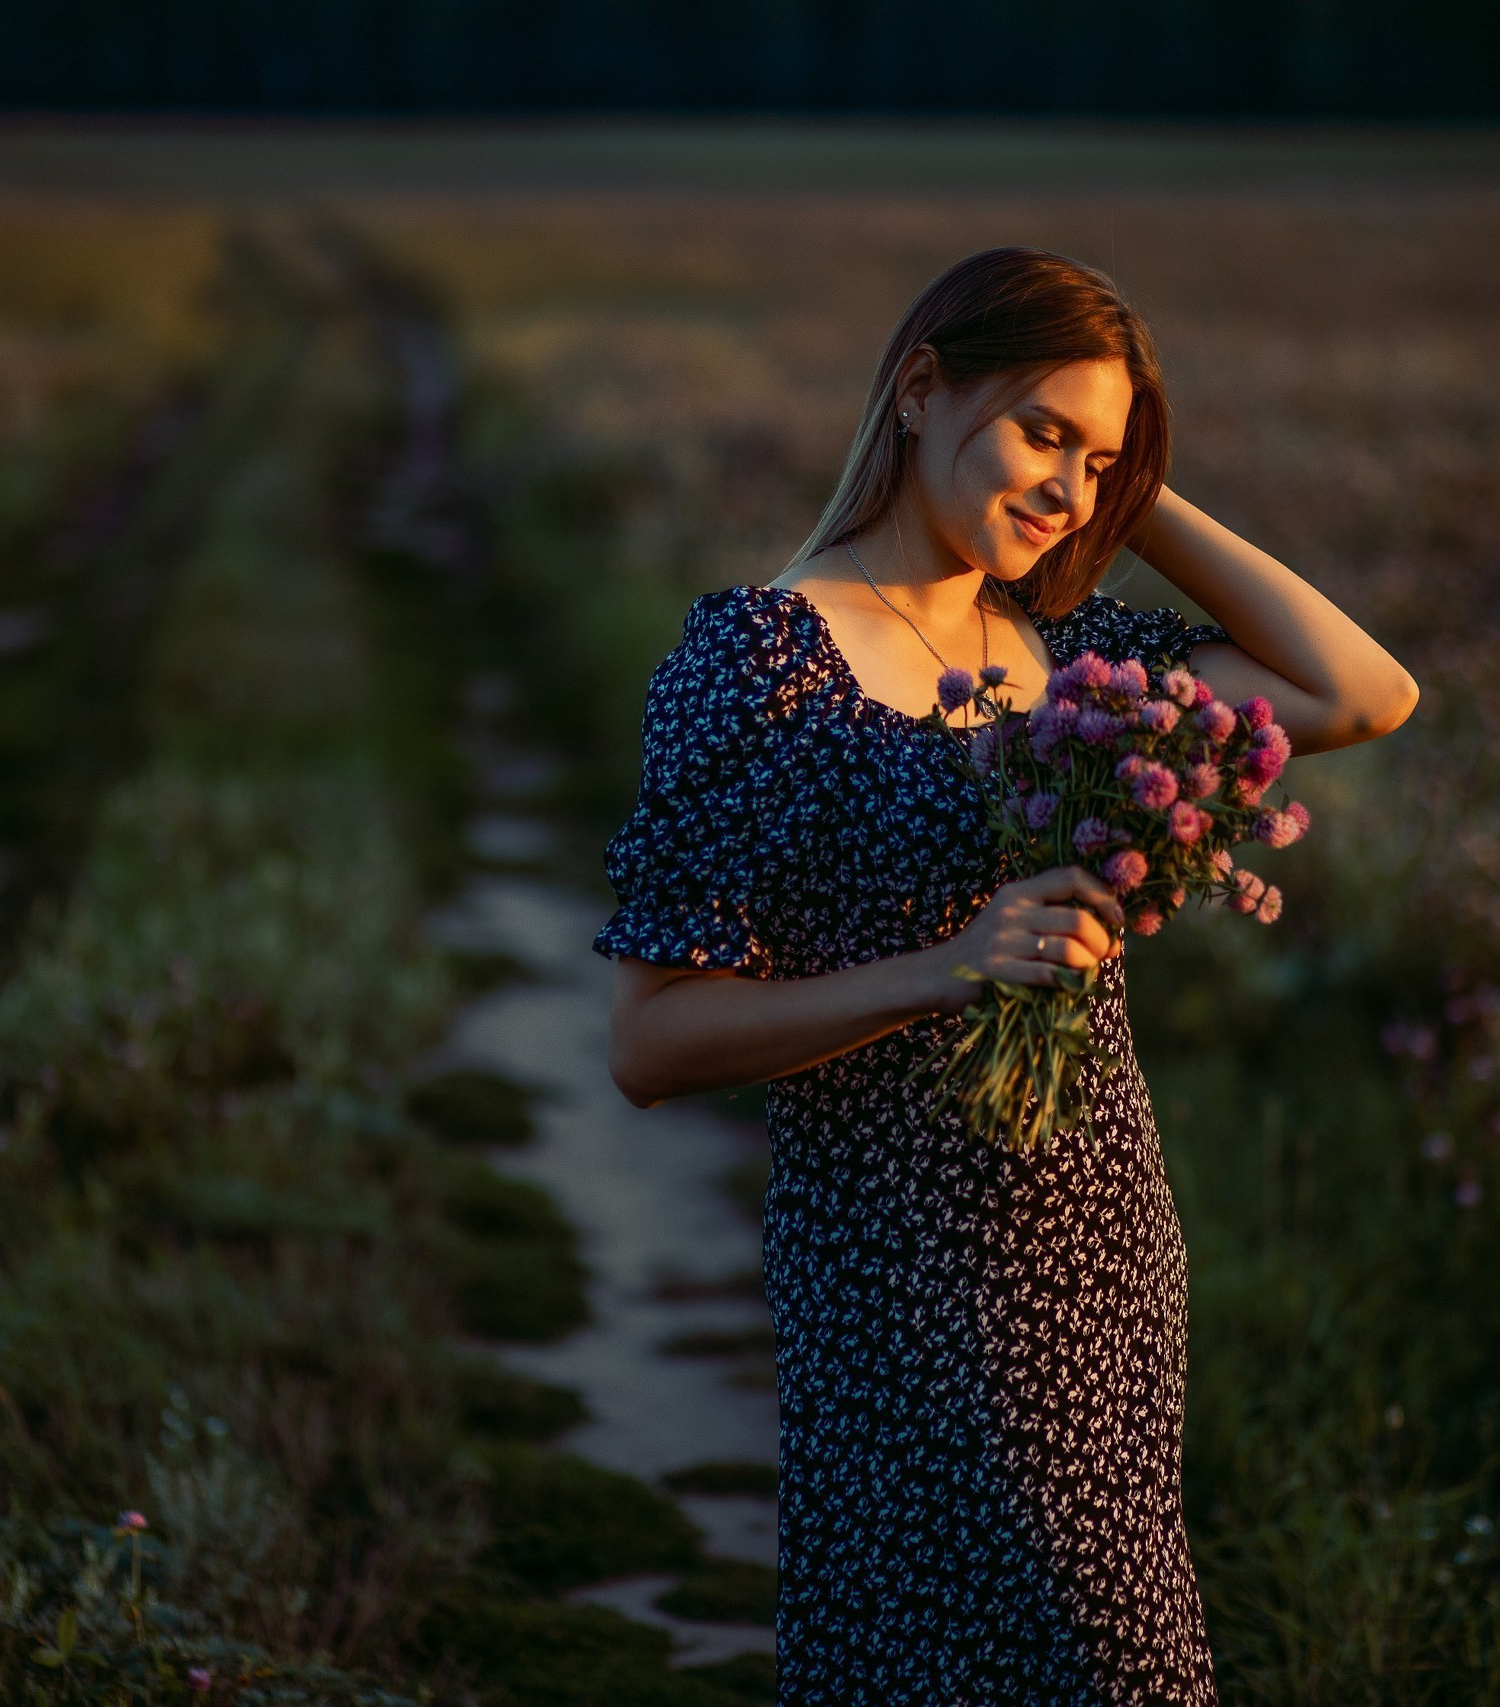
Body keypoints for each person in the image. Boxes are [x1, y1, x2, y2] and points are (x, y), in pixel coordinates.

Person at [593, 246, 1416, 1705]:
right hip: (899, 1267)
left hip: (1104, 1238)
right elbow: (651, 1043)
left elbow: (1360, 691)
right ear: (921, 389)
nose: (1071, 492)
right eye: (1044, 433)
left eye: (1101, 462)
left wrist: (1121, 488)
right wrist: (942, 972)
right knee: (1054, 1662)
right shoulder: (757, 664)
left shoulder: (1069, 655)